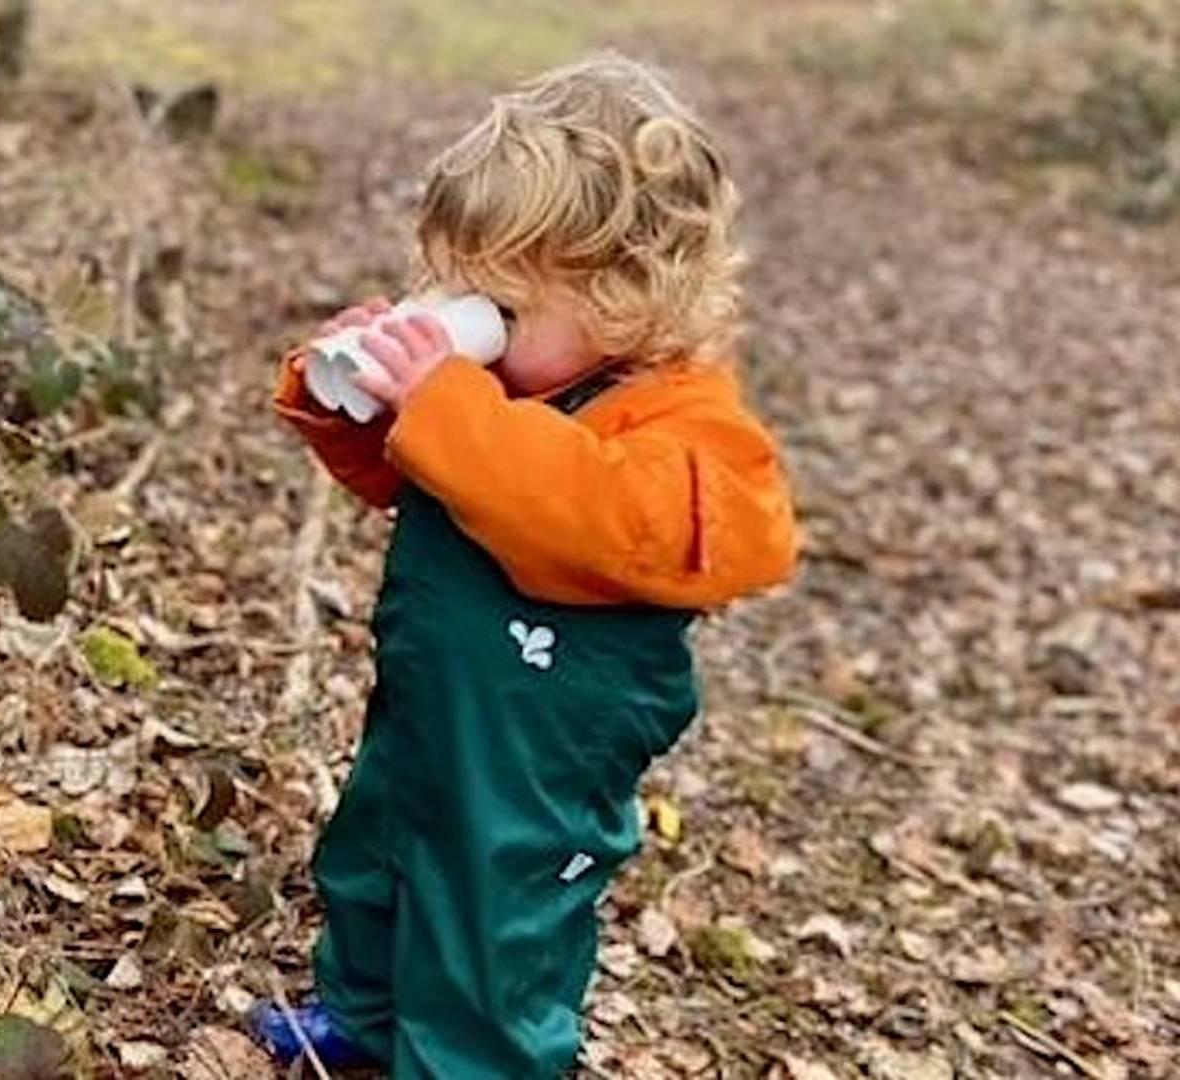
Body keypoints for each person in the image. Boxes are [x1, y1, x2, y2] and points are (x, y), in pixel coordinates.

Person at [251, 52, 800, 1077]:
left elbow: (595, 514)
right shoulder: (514, 388)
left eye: (502, 301)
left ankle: (475, 1063)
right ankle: (365, 1019)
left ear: (626, 293)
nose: (474, 318)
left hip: (544, 743)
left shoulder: (682, 422)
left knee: (494, 914)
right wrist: (351, 395)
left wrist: (452, 406)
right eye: (459, 285)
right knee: (377, 853)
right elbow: (422, 480)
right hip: (432, 695)